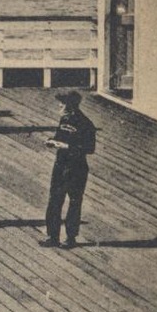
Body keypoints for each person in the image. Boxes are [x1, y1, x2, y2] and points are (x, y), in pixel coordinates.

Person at [43, 90, 97, 249]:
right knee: (54, 200)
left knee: (74, 201)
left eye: (63, 103)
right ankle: (52, 236)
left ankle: (70, 238)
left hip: (76, 167)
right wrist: (52, 141)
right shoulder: (64, 119)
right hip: (60, 165)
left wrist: (67, 146)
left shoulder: (86, 124)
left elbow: (89, 148)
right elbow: (59, 137)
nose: (59, 105)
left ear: (70, 106)